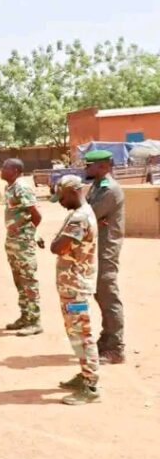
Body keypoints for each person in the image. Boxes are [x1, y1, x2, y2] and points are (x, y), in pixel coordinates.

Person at [50, 175, 101, 405]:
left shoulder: (79, 218)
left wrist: (55, 241)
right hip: (72, 285)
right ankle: (84, 374)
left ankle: (91, 387)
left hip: (76, 286)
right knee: (76, 333)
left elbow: (58, 247)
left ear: (72, 191)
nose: (60, 202)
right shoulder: (79, 213)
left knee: (82, 334)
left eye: (61, 197)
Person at [84, 149, 125, 364]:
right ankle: (106, 339)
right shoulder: (98, 186)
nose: (86, 168)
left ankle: (116, 348)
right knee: (100, 294)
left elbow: (87, 215)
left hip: (106, 250)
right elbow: (88, 213)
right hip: (96, 248)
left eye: (89, 165)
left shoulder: (110, 190)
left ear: (103, 166)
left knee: (109, 296)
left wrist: (92, 218)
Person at [0, 159, 45, 336]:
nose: (2, 170)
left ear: (16, 170)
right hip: (13, 241)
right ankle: (25, 317)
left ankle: (35, 321)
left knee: (29, 280)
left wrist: (29, 234)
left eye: (5, 167)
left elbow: (36, 215)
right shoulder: (10, 188)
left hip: (23, 243)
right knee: (19, 281)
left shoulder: (22, 187)